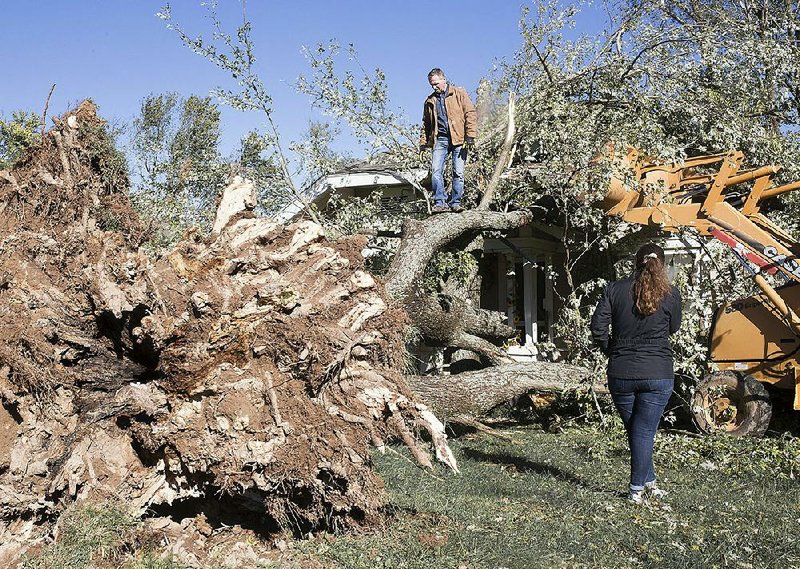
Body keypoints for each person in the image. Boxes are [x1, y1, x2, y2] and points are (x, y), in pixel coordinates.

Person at [590, 243, 682, 503]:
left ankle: (649, 482)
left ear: (635, 261)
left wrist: (614, 350)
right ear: (661, 264)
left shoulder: (614, 289)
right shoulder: (671, 294)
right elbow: (673, 327)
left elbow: (598, 328)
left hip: (621, 372)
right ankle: (636, 490)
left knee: (637, 430)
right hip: (657, 372)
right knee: (642, 432)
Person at [419, 68, 477, 213]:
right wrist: (423, 143)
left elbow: (470, 113)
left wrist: (470, 135)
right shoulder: (430, 101)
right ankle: (440, 202)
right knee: (436, 171)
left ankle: (456, 202)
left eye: (436, 83)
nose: (434, 87)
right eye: (432, 84)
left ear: (444, 79)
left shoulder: (459, 93)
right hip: (441, 139)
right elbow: (426, 124)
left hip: (459, 138)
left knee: (458, 172)